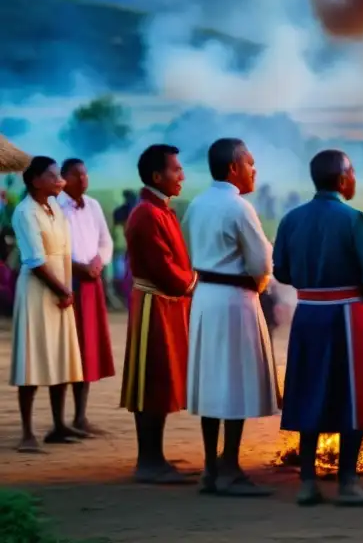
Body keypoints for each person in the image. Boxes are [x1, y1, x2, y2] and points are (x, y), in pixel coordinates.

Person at [274, 150, 363, 507]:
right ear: (342, 180)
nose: (355, 178)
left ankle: (308, 482)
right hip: (346, 314)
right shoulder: (353, 218)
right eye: (353, 172)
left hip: (308, 312)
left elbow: (282, 271)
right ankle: (348, 483)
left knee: (309, 390)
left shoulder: (291, 219)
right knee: (352, 396)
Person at [184, 138, 278, 496]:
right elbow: (261, 263)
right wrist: (262, 281)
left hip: (206, 297)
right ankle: (231, 468)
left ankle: (211, 467)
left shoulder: (196, 204)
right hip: (235, 298)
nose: (254, 170)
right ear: (233, 168)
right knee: (235, 380)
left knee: (212, 381)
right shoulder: (239, 208)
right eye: (250, 163)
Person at [121, 144, 197, 483]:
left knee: (163, 379)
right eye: (175, 170)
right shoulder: (147, 214)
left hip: (166, 302)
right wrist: (194, 280)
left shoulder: (161, 210)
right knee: (152, 379)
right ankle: (148, 460)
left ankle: (155, 455)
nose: (182, 175)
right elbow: (163, 268)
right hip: (155, 303)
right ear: (157, 176)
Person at [9, 156, 85, 452]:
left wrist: (66, 289)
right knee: (32, 358)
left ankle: (59, 424)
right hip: (38, 291)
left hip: (61, 288)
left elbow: (64, 251)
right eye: (53, 176)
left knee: (61, 353)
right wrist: (62, 289)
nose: (59, 180)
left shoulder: (54, 207)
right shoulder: (25, 212)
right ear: (35, 180)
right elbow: (35, 260)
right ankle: (27, 433)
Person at [57, 158, 116, 435]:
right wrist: (78, 266)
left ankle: (81, 416)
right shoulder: (56, 207)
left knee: (88, 349)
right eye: (76, 174)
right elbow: (53, 248)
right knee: (66, 349)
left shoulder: (92, 205)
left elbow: (106, 241)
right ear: (64, 177)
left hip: (91, 284)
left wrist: (98, 262)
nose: (83, 179)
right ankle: (60, 420)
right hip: (67, 282)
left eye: (85, 174)